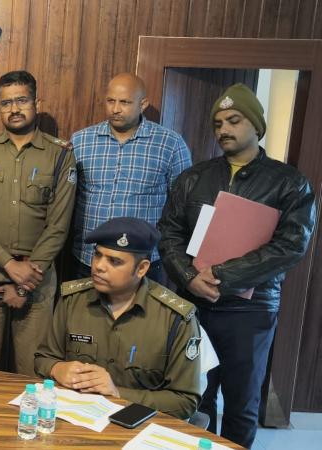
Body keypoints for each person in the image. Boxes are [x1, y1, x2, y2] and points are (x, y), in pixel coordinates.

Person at [158, 83, 317, 447]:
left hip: (251, 310)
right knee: (196, 396)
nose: (224, 129)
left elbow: (291, 246)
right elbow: (168, 234)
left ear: (257, 126)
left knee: (242, 403)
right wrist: (189, 277)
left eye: (234, 120)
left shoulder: (289, 183)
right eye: (218, 123)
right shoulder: (194, 177)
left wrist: (220, 275)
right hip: (194, 305)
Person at [0, 70, 76, 377]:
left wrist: (26, 278)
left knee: (32, 366)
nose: (14, 109)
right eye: (6, 102)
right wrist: (9, 265)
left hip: (38, 272)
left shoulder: (59, 155)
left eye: (21, 100)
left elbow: (59, 225)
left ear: (36, 102)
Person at [34, 217, 201, 419]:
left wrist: (118, 393)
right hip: (76, 418)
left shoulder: (175, 317)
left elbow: (185, 402)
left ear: (141, 268)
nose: (99, 266)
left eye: (114, 261)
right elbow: (43, 358)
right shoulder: (73, 300)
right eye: (97, 255)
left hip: (137, 424)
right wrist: (57, 368)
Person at [71, 73, 192, 283]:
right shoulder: (81, 140)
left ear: (143, 104)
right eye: (111, 101)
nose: (115, 109)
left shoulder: (170, 143)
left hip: (143, 261)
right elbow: (67, 197)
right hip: (90, 257)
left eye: (125, 102)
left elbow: (183, 204)